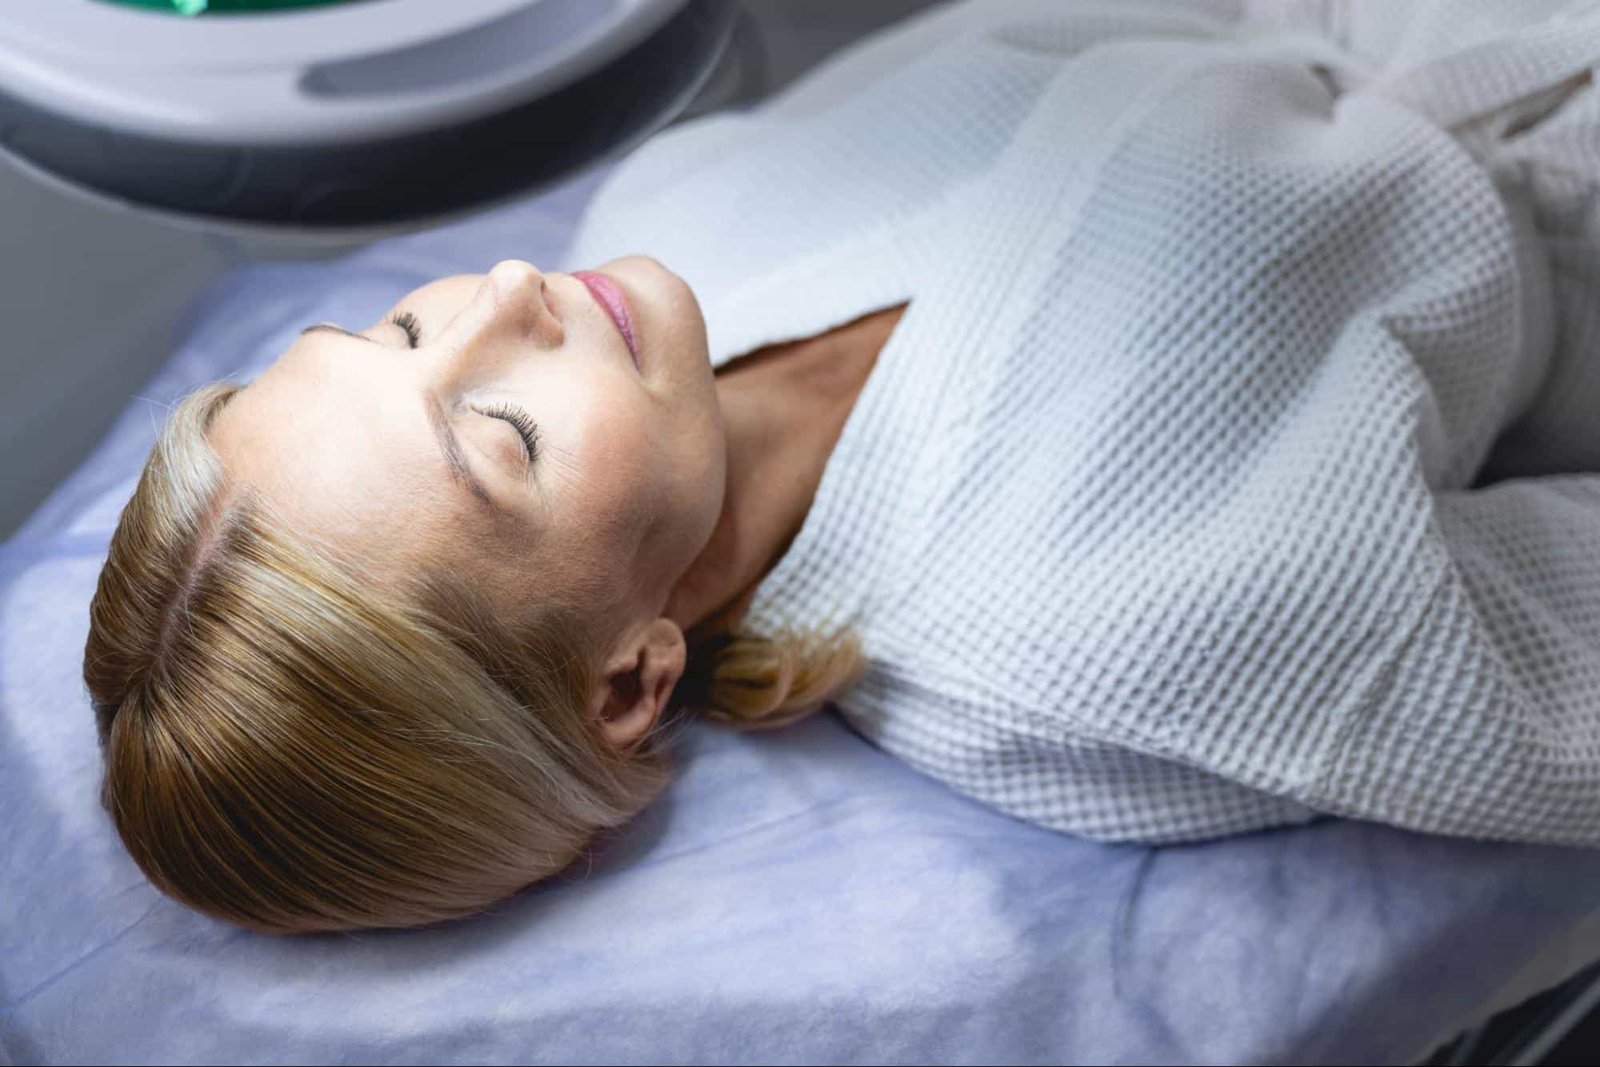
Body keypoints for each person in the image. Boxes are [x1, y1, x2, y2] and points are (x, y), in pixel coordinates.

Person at [85, 0, 1600, 934]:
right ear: (625, 680)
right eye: (504, 434)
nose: (503, 293)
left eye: (401, 327)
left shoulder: (687, 193)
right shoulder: (1087, 639)